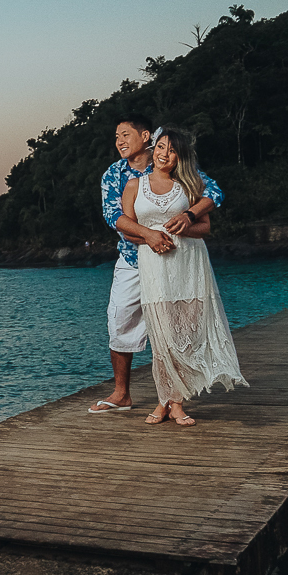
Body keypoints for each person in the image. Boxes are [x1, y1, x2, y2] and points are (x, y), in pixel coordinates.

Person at [87, 115, 223, 414]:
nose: (119, 141)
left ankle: (174, 399)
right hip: (133, 259)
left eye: (125, 134)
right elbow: (114, 217)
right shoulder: (114, 173)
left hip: (175, 262)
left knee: (175, 328)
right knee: (120, 320)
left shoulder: (167, 158)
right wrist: (147, 235)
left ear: (145, 136)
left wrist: (189, 215)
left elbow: (213, 192)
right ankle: (122, 394)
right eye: (116, 136)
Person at [121, 126, 247, 426]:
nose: (165, 154)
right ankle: (166, 397)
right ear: (154, 150)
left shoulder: (188, 187)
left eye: (172, 150)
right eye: (161, 147)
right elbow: (124, 224)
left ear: (180, 157)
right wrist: (151, 235)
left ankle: (174, 403)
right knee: (162, 336)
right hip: (155, 267)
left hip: (189, 265)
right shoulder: (135, 186)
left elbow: (205, 228)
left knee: (187, 336)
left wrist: (183, 225)